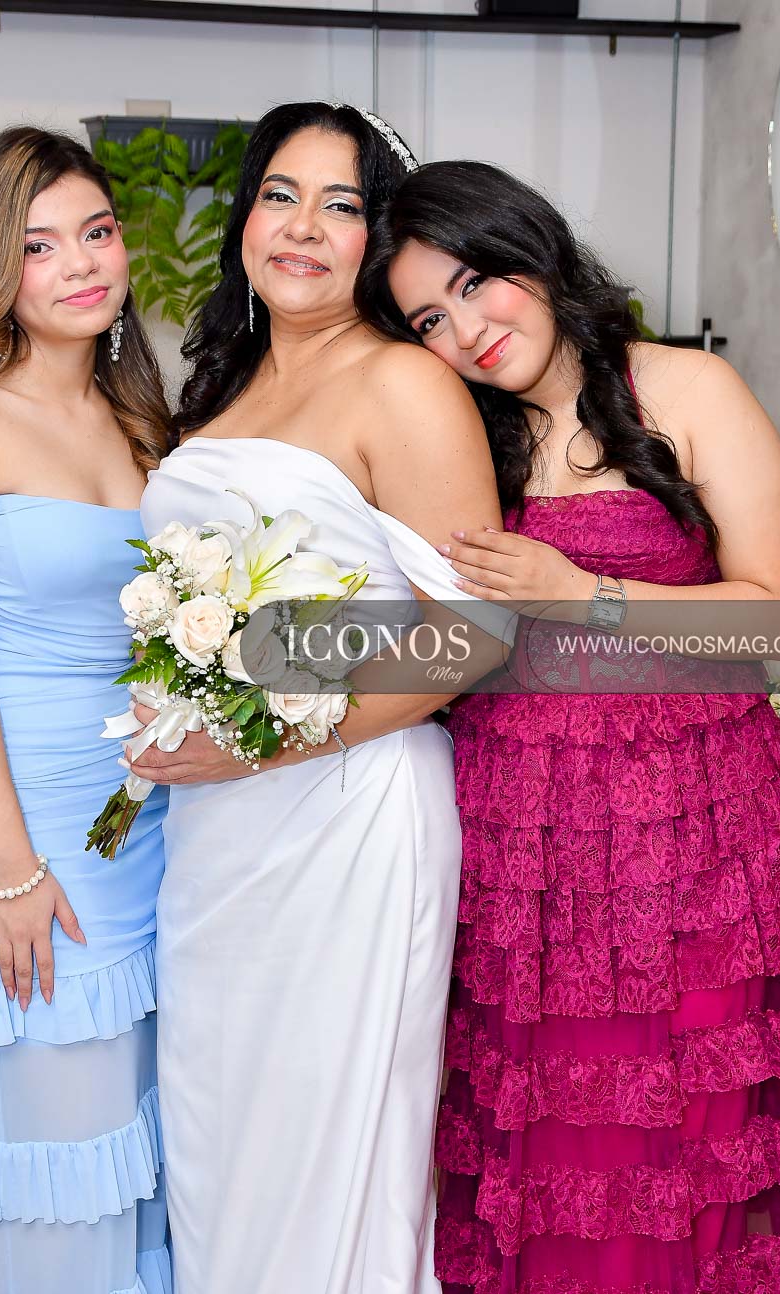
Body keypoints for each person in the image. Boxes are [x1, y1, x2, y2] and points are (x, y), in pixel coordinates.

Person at [356, 160, 780, 1294]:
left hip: (695, 838)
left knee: (688, 1134)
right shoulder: (455, 438)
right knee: (552, 1141)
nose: (467, 331)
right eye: (429, 320)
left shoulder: (687, 389)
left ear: (533, 248)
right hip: (523, 846)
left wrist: (585, 594)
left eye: (475, 283)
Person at [129, 102, 505, 1294]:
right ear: (244, 217)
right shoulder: (220, 391)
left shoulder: (403, 384)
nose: (301, 227)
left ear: (376, 239)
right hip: (216, 833)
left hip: (351, 813)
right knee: (217, 1119)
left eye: (340, 206)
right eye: (279, 196)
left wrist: (258, 742)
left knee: (328, 1137)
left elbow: (473, 637)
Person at [0, 126, 171, 1294]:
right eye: (39, 244)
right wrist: (9, 868)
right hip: (26, 816)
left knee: (138, 1132)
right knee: (59, 1142)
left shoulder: (139, 416)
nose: (80, 264)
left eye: (96, 232)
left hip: (144, 815)